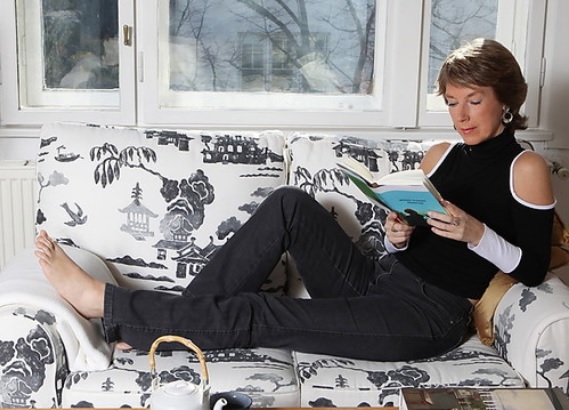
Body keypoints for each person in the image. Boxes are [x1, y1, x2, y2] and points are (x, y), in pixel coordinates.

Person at [34, 38, 555, 362]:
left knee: (264, 310)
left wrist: (475, 233)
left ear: (506, 101)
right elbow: (415, 241)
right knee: (288, 203)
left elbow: (532, 269)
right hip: (381, 280)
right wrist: (400, 236)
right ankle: (164, 325)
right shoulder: (440, 156)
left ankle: (108, 305)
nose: (461, 115)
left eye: (474, 101)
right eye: (453, 102)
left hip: (426, 316)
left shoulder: (525, 168)